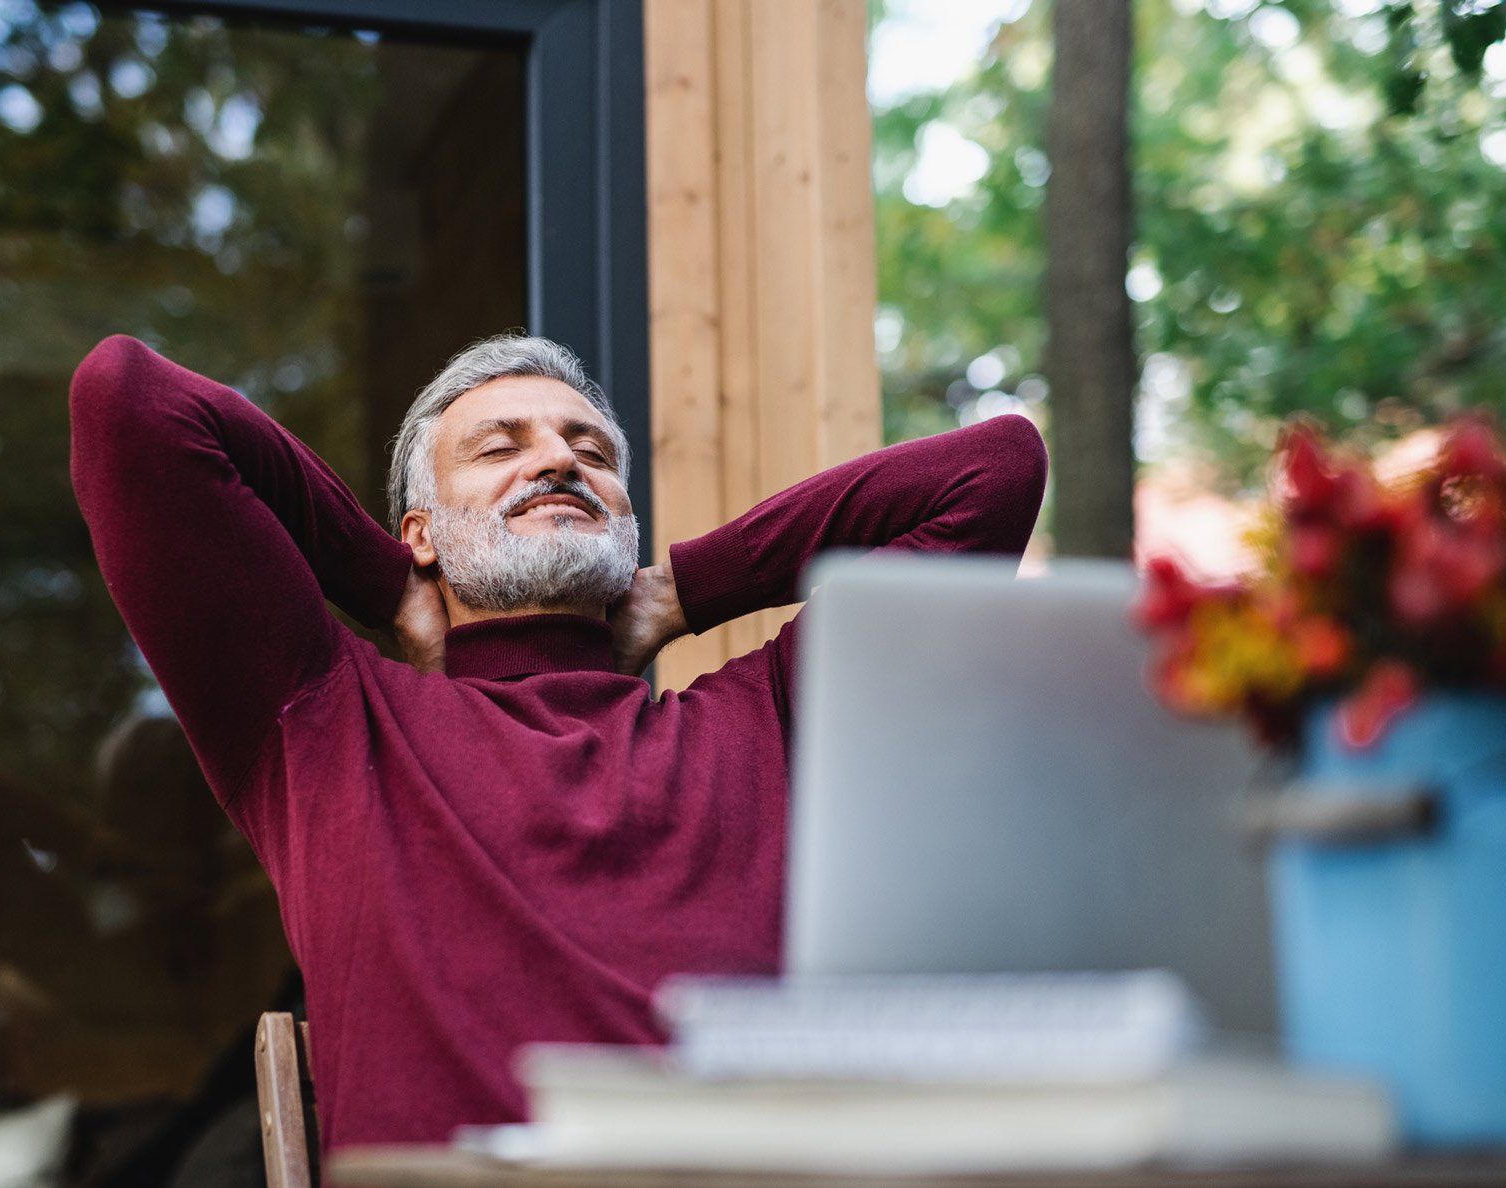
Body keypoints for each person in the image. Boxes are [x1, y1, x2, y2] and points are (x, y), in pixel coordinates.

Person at [67, 331, 1048, 1157]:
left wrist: (685, 590)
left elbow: (995, 472)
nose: (559, 462)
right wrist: (386, 584)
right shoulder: (327, 719)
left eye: (594, 454)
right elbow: (129, 401)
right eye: (500, 447)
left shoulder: (770, 719)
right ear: (421, 530)